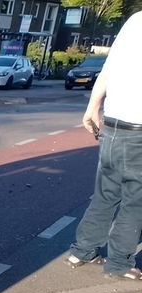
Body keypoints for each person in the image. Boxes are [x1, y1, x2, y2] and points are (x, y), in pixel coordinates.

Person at [67, 12, 142, 279]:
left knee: (106, 193)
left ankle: (82, 251)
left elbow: (108, 72)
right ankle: (120, 263)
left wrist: (92, 108)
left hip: (112, 124)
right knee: (136, 199)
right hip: (139, 129)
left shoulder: (134, 21)